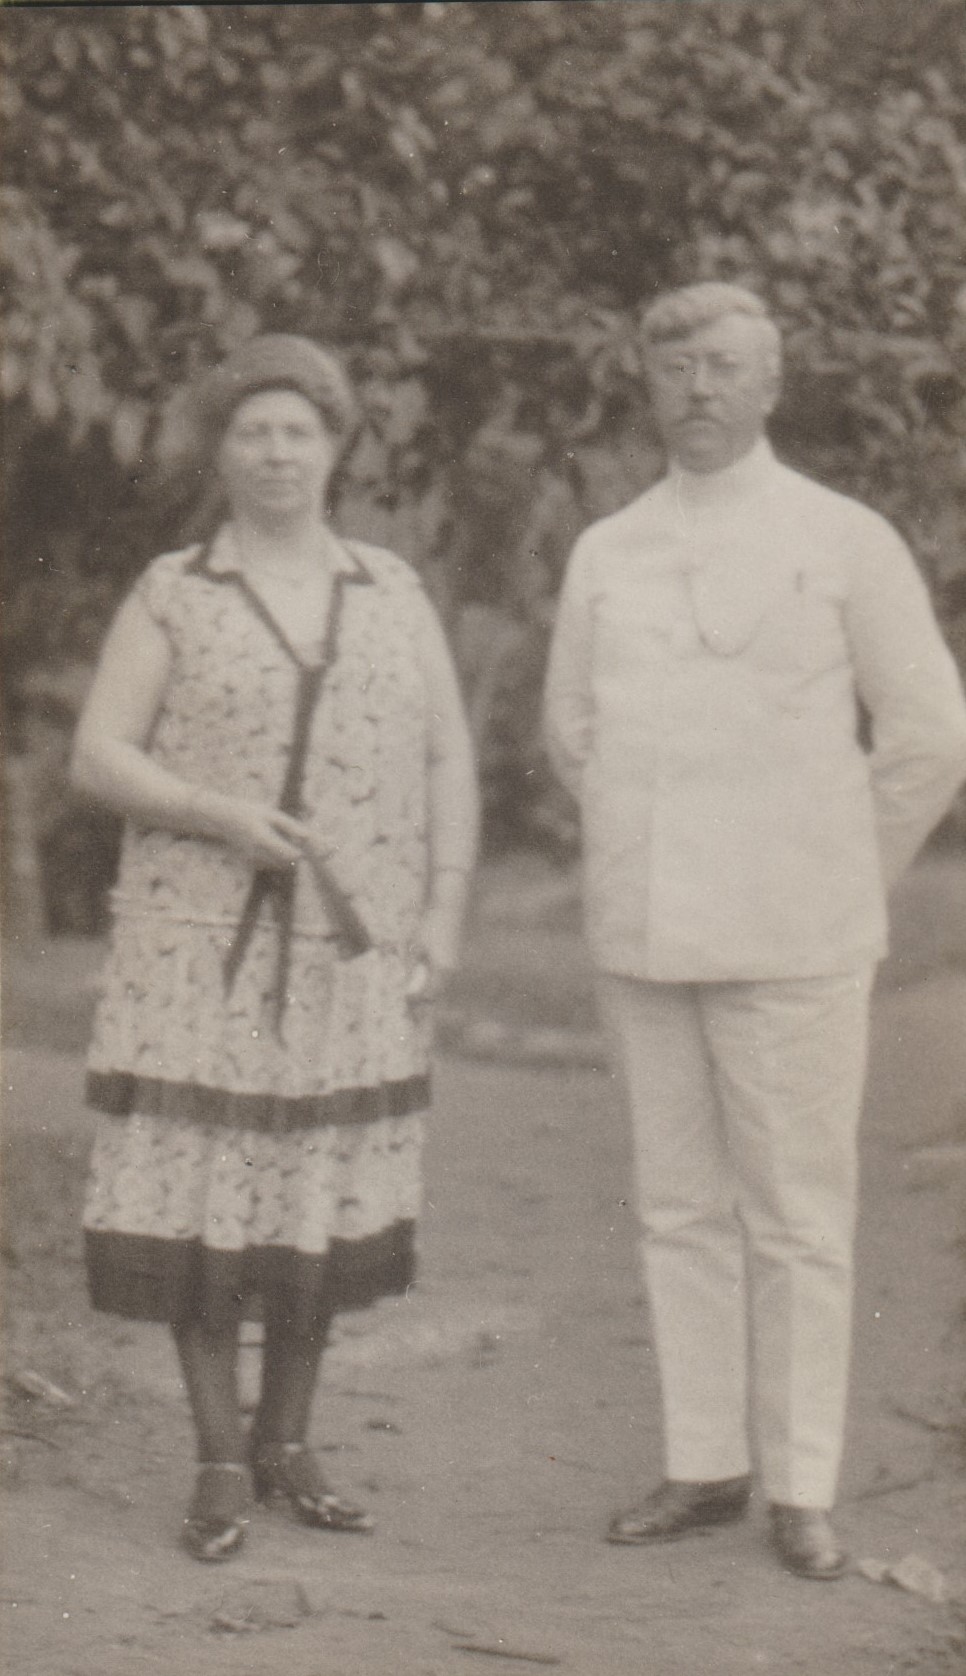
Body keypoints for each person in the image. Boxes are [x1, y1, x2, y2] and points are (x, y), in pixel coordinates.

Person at [543, 283, 966, 1580]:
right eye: (673, 368)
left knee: (794, 1213)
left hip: (795, 936)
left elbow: (930, 736)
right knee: (677, 1206)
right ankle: (703, 1463)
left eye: (723, 367)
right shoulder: (609, 549)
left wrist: (839, 873)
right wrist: (647, 852)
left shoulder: (842, 540)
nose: (698, 390)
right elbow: (573, 737)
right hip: (647, 932)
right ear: (648, 385)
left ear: (770, 384)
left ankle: (800, 1486)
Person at [71, 334, 478, 1562]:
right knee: (204, 1204)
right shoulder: (175, 588)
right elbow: (98, 754)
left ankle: (292, 1440)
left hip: (348, 960)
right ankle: (216, 1458)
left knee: (313, 1199)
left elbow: (448, 760)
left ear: (337, 443)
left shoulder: (389, 590)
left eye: (300, 429)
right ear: (222, 447)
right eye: (254, 430)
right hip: (195, 946)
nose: (278, 451)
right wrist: (213, 813)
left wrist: (445, 917)